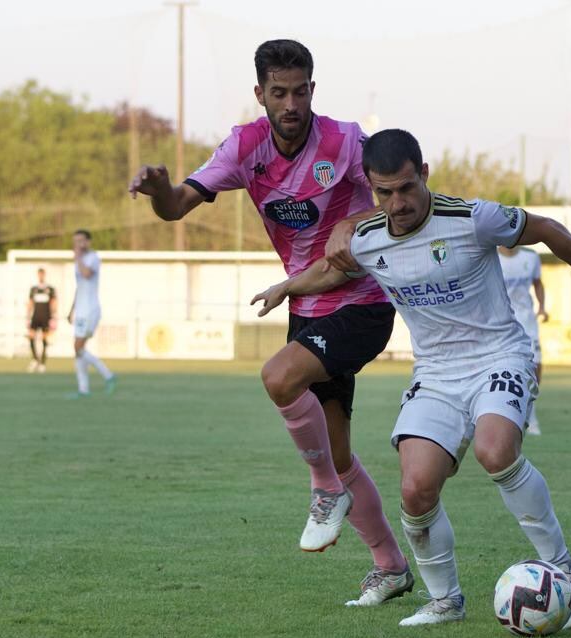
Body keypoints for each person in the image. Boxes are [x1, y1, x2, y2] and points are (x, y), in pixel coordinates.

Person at [251, 129, 571, 628]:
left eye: (407, 188)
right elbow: (331, 271)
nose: (398, 202)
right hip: (436, 375)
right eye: (384, 192)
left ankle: (562, 568)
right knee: (416, 488)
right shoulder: (370, 238)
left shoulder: (473, 218)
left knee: (496, 451)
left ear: (424, 175)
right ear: (371, 187)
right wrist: (286, 286)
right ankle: (445, 599)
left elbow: (547, 228)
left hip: (499, 356)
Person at [128, 39, 413, 606]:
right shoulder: (244, 148)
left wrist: (354, 221)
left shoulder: (346, 141)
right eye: (278, 92)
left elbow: (399, 196)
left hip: (363, 300)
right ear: (259, 93)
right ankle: (390, 566)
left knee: (280, 377)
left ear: (313, 89)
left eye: (300, 91)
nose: (291, 104)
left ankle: (324, 492)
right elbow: (179, 204)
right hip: (308, 308)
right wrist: (161, 192)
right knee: (338, 453)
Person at [498, 245, 547, 435]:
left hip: (528, 321)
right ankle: (522, 417)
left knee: (537, 367)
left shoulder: (530, 257)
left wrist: (542, 307)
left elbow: (538, 283)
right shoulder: (490, 256)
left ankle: (529, 409)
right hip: (503, 322)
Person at [67, 230, 115, 397]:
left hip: (90, 310)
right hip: (80, 310)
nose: (78, 245)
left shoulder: (93, 258)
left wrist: (78, 258)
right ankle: (83, 389)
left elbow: (87, 275)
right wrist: (71, 309)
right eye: (76, 242)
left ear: (88, 242)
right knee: (78, 350)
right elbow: (79, 286)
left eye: (81, 241)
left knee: (78, 347)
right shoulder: (78, 262)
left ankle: (108, 375)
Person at [26, 267, 57, 373]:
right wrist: (28, 317)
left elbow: (54, 303)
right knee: (31, 336)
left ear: (44, 275)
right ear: (37, 275)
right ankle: (35, 359)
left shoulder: (50, 289)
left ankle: (42, 363)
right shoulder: (34, 289)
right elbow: (30, 303)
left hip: (46, 317)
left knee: (45, 339)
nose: (41, 276)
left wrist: (53, 317)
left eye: (42, 274)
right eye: (39, 274)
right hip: (35, 316)